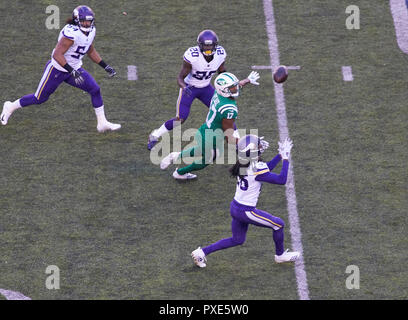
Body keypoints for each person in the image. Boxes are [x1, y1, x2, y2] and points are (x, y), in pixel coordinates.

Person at [1, 5, 121, 133]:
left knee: (95, 89)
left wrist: (105, 65)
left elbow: (89, 50)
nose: (86, 24)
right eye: (83, 21)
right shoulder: (71, 34)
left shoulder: (91, 31)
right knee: (39, 98)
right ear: (76, 20)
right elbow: (57, 55)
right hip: (57, 69)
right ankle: (10, 107)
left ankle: (102, 123)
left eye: (89, 21)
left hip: (73, 69)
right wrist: (72, 71)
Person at [191, 135, 300, 267]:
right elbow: (281, 180)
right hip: (245, 211)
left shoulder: (243, 163)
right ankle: (280, 255)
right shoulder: (255, 167)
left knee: (237, 239)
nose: (261, 147)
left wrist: (279, 155)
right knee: (278, 224)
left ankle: (201, 252)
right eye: (258, 146)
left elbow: (265, 169)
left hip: (235, 207)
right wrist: (286, 158)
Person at [159, 71, 260, 180]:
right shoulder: (229, 109)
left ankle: (175, 156)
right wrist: (251, 143)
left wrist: (247, 80)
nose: (236, 88)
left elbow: (235, 85)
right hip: (213, 137)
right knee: (207, 160)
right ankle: (180, 172)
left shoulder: (218, 93)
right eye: (232, 87)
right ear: (224, 90)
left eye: (234, 86)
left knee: (200, 150)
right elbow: (229, 137)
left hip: (205, 130)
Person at [147, 29, 228, 150]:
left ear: (215, 46)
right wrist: (184, 87)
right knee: (180, 119)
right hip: (190, 88)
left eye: (210, 46)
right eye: (205, 46)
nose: (208, 49)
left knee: (224, 112)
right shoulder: (192, 56)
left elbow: (222, 72)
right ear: (200, 45)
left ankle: (236, 141)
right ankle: (155, 135)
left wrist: (227, 84)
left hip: (206, 88)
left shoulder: (220, 54)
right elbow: (180, 78)